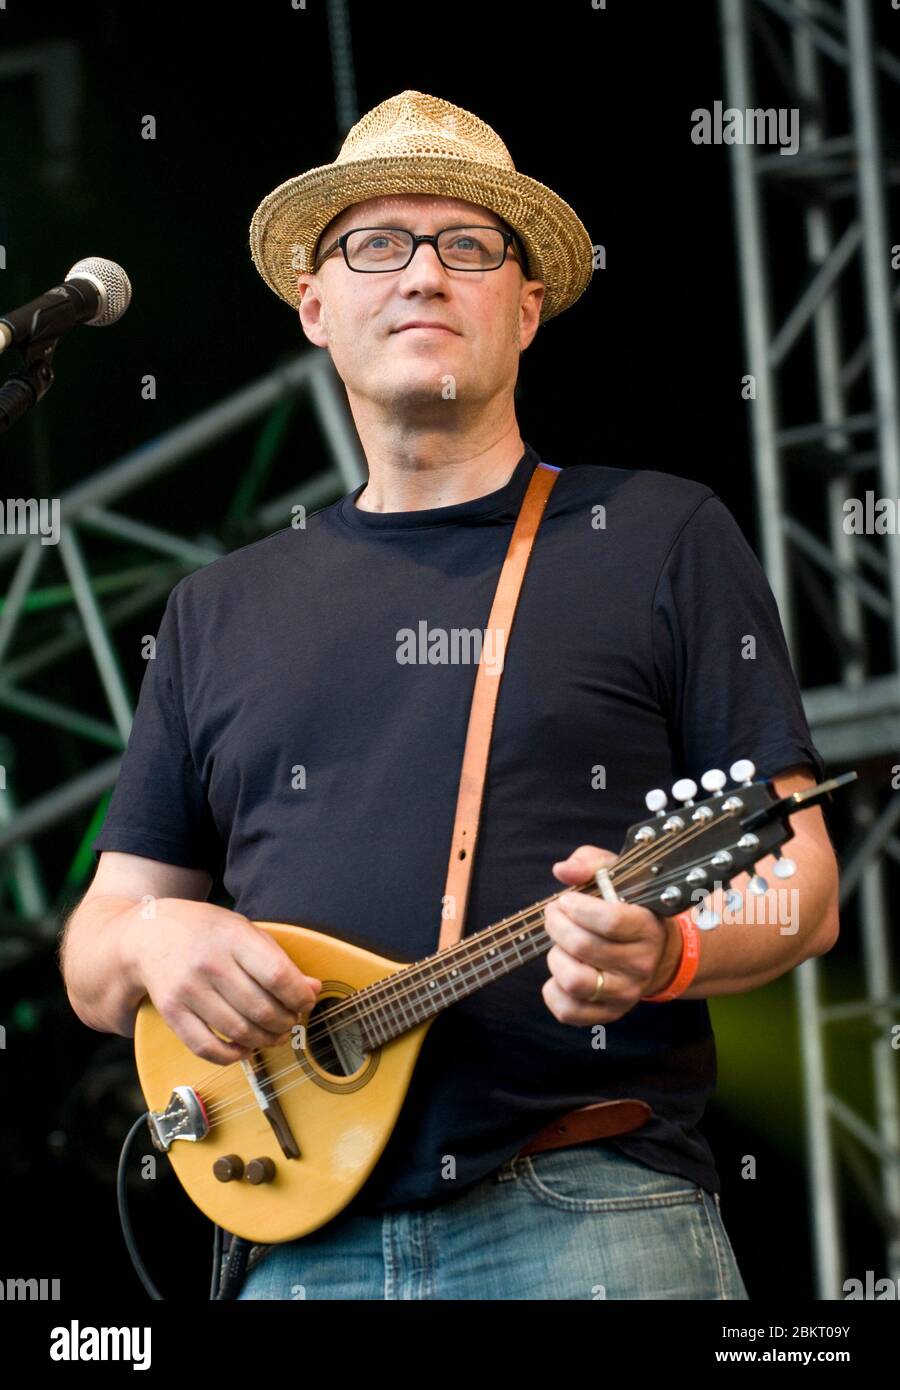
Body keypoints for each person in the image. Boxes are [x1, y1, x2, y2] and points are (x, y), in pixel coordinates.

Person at [60, 90, 839, 1300]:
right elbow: (99, 952)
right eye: (378, 243)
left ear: (525, 310)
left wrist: (670, 948)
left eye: (469, 246)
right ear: (316, 307)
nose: (424, 272)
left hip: (587, 1208)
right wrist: (160, 936)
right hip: (291, 1240)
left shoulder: (659, 532)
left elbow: (802, 878)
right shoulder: (218, 606)